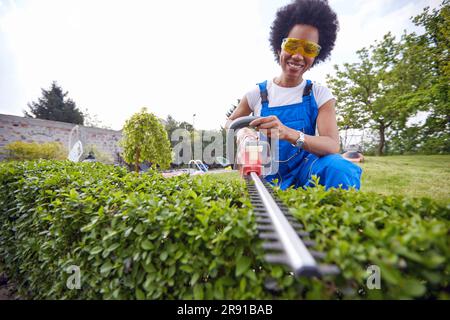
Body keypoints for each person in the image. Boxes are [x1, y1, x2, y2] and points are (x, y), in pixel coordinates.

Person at [226, 0, 362, 191]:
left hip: (308, 170)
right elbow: (231, 122)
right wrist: (243, 133)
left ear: (315, 57)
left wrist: (289, 133)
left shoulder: (319, 94)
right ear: (278, 48)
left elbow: (331, 145)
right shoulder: (257, 93)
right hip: (267, 171)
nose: (298, 56)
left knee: (340, 169)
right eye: (292, 45)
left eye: (309, 49)